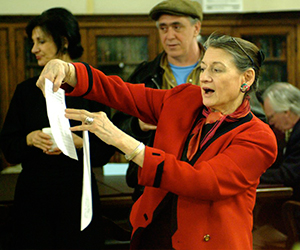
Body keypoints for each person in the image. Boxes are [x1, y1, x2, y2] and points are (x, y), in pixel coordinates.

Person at [36, 33, 277, 250]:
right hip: (153, 236)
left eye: (217, 70)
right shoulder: (185, 99)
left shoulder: (258, 136)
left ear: (246, 78)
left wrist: (124, 141)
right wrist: (69, 71)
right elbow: (124, 93)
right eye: (203, 68)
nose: (204, 78)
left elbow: (202, 182)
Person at [112, 0, 266, 201]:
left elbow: (254, 119)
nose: (169, 36)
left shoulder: (230, 73)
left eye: (177, 27)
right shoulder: (145, 75)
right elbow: (118, 125)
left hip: (206, 183)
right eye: (163, 28)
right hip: (151, 185)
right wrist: (138, 125)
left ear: (196, 28)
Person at [0, 8, 115, 250]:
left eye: (41, 41)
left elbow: (107, 151)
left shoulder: (93, 88)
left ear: (63, 41)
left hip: (78, 195)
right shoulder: (26, 91)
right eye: (33, 42)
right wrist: (29, 139)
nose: (34, 49)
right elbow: (9, 150)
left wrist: (81, 142)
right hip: (34, 198)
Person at [253, 82, 300, 249]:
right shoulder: (292, 133)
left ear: (287, 112)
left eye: (271, 117)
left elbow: (289, 174)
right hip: (289, 208)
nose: (271, 123)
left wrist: (254, 176)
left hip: (294, 213)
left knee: (252, 240)